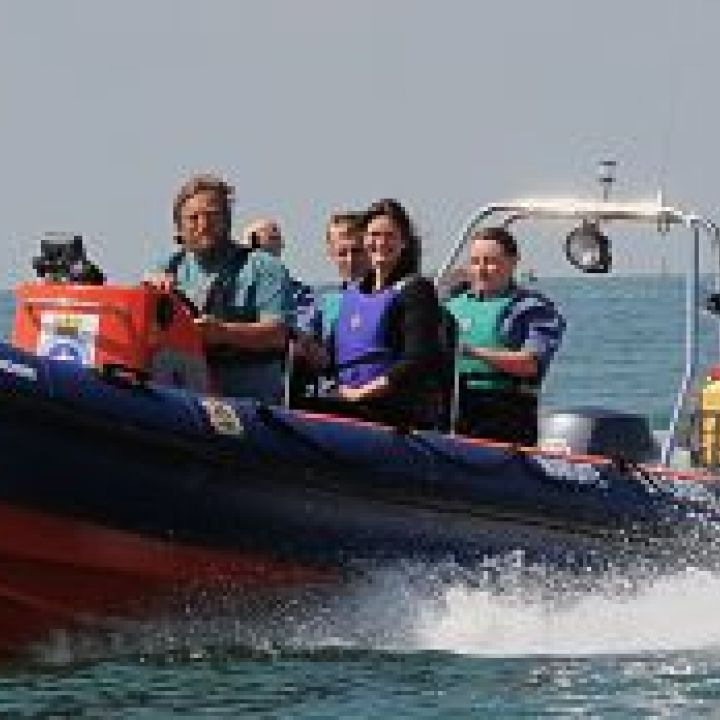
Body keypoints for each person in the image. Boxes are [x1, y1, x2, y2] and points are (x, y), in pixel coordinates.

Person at [145, 174, 293, 403]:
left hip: (249, 404)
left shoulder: (264, 267)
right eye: (193, 218)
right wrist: (149, 295)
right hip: (184, 400)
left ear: (228, 220)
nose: (203, 226)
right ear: (179, 227)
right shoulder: (166, 269)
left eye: (212, 215)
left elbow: (277, 335)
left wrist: (223, 333)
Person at [445, 226, 565, 445]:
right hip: (453, 408)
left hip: (503, 414)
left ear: (512, 262)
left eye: (490, 261)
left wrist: (471, 352)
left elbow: (530, 364)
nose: (481, 270)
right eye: (475, 262)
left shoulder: (530, 309)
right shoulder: (451, 305)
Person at [333, 198, 444, 428]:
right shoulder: (352, 293)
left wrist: (363, 393)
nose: (381, 243)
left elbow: (418, 359)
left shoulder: (416, 291)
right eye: (374, 235)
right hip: (348, 404)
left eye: (390, 236)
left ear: (404, 242)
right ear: (363, 239)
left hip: (392, 412)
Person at [321, 211, 369, 342]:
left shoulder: (390, 296)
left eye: (357, 251)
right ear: (331, 253)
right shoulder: (323, 303)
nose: (350, 260)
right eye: (342, 253)